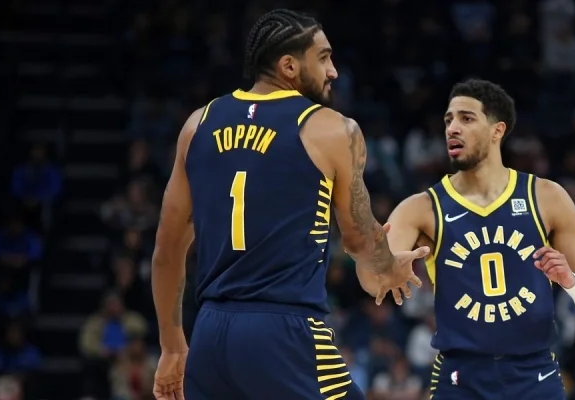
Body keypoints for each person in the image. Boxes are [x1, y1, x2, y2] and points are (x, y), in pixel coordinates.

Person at [149, 9, 427, 400]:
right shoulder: (333, 128)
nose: (333, 71)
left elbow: (167, 250)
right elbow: (360, 240)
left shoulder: (198, 124)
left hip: (211, 334)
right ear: (289, 66)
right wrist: (387, 267)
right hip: (285, 331)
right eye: (324, 58)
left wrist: (172, 345)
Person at [358, 79, 575, 399]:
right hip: (461, 378)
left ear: (497, 130)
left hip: (534, 374)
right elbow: (372, 282)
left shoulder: (546, 197)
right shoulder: (421, 208)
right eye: (448, 120)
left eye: (466, 118)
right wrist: (380, 264)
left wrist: (570, 281)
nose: (452, 128)